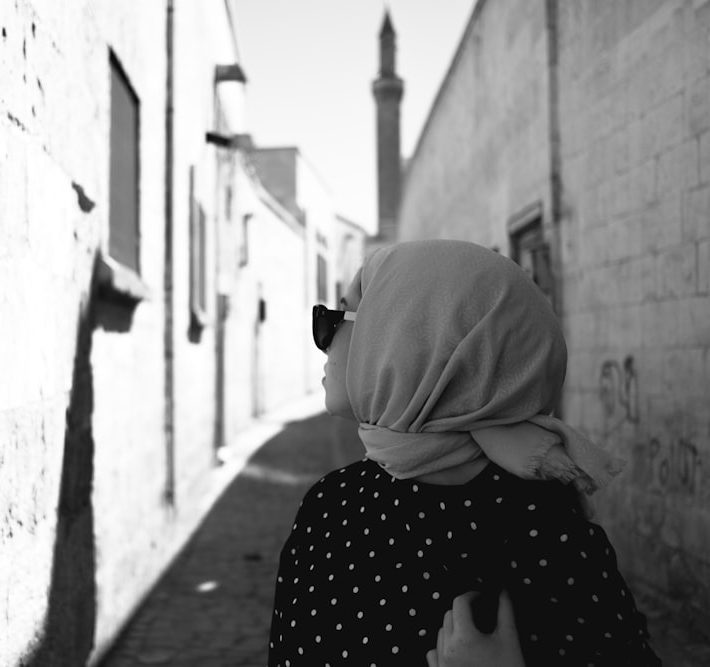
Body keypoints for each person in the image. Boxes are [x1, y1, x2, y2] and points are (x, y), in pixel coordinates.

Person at [268, 240, 661, 666]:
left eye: (332, 319)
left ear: (401, 335)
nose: (323, 342)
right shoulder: (329, 507)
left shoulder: (546, 527)